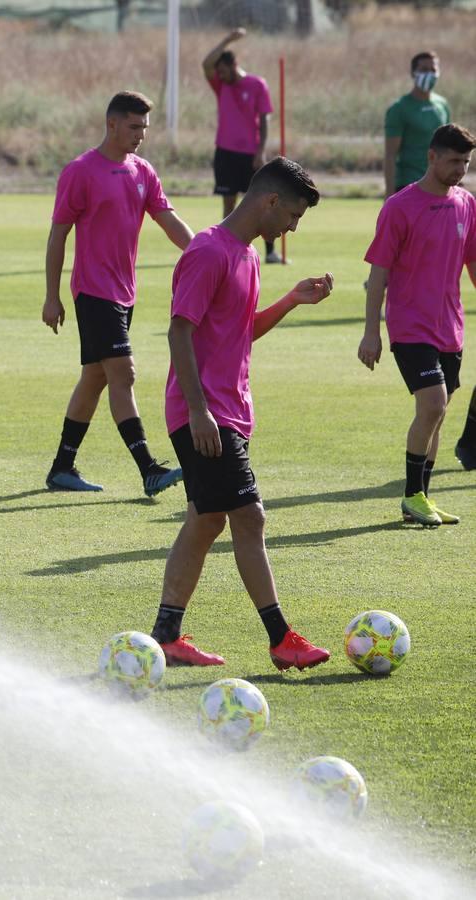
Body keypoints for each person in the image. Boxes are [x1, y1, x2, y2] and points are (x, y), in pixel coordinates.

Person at [151, 157, 335, 671]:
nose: (294, 227)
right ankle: (281, 638)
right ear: (270, 201)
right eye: (294, 215)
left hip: (231, 410)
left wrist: (292, 301)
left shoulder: (248, 257)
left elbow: (240, 330)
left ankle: (166, 634)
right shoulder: (207, 252)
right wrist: (198, 411)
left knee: (206, 519)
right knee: (248, 517)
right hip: (206, 413)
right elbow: (179, 332)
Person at [42, 91, 194, 496]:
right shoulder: (80, 171)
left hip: (125, 294)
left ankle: (62, 467)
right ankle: (148, 468)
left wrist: (204, 251)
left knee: (95, 377)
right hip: (93, 292)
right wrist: (51, 295)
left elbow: (169, 220)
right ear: (111, 124)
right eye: (133, 127)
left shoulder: (143, 171)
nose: (140, 135)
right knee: (123, 373)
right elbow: (58, 234)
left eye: (144, 128)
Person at [359, 124, 476, 526]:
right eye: (454, 161)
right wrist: (371, 331)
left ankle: (423, 497)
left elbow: (472, 263)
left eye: (466, 162)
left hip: (451, 327)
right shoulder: (400, 206)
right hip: (410, 327)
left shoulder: (466, 204)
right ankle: (411, 495)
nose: (460, 169)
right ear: (431, 157)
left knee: (437, 414)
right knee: (433, 403)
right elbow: (379, 273)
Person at [202, 28, 278, 263]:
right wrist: (226, 40)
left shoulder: (257, 84)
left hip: (250, 154)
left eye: (223, 71)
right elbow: (206, 64)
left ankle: (270, 252)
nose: (220, 76)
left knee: (260, 202)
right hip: (225, 152)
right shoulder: (221, 86)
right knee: (228, 202)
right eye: (218, 73)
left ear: (234, 65)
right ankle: (226, 248)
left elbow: (265, 119)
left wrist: (260, 151)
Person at [385, 51, 450, 198]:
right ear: (413, 73)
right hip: (409, 183)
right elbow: (390, 155)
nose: (429, 74)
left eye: (433, 70)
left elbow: (450, 147)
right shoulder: (399, 108)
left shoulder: (442, 105)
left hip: (439, 183)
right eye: (424, 70)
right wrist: (389, 194)